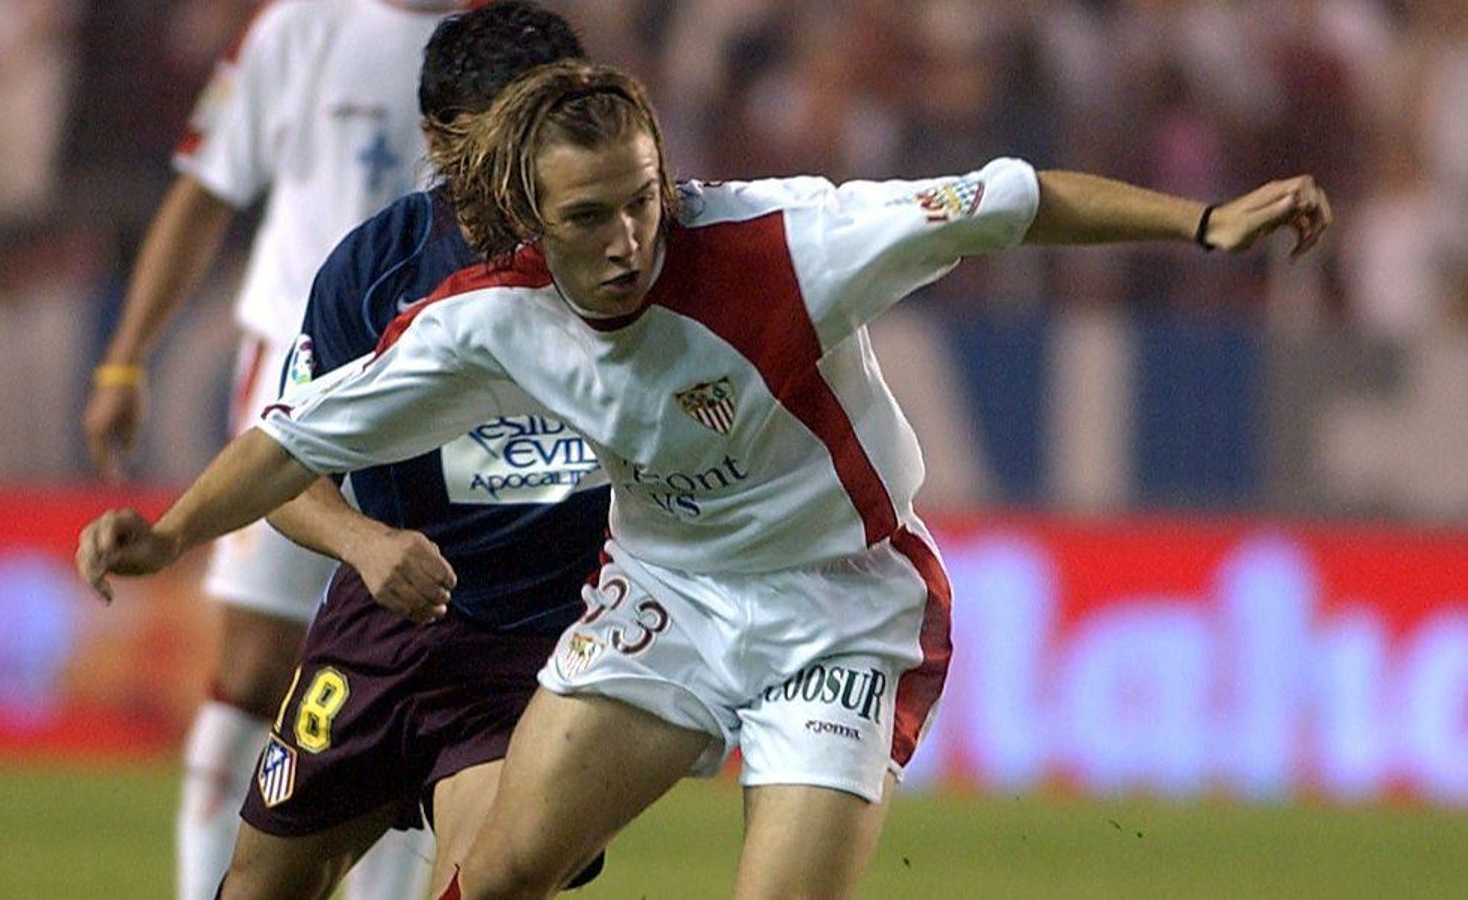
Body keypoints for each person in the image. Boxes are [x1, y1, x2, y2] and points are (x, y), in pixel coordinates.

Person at [77, 61, 1333, 900]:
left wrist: (1203, 224)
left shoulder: (785, 242)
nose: (627, 241)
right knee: (502, 876)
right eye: (588, 220)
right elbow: (299, 438)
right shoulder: (483, 324)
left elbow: (1007, 204)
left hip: (840, 609)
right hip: (666, 600)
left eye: (639, 201)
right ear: (531, 217)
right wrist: (169, 533)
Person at [78, 2, 486, 898]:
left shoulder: (496, 40)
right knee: (256, 663)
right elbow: (204, 190)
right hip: (299, 366)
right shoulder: (297, 26)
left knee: (425, 664)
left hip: (450, 373)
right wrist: (124, 357)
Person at [218, 5, 606, 899]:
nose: (527, 169)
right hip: (381, 628)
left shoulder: (639, 261)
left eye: (544, 133)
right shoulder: (374, 270)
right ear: (437, 137)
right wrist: (365, 543)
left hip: (543, 649)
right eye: (501, 139)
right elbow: (284, 463)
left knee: (489, 882)